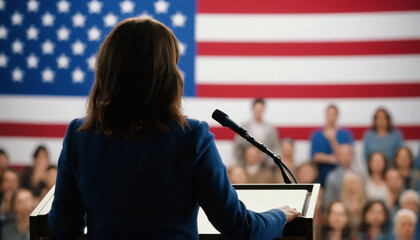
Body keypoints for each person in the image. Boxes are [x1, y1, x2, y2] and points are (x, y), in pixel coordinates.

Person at [48, 17, 300, 240]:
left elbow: (63, 228)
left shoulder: (79, 136)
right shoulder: (192, 137)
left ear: (107, 70)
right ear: (166, 75)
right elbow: (240, 227)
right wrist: (279, 215)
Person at [310, 104, 354, 186]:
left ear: (337, 116)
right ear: (325, 115)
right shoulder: (317, 135)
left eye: (333, 114)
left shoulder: (346, 135)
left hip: (342, 177)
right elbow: (315, 156)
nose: (331, 117)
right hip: (321, 176)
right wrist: (331, 159)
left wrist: (333, 140)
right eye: (329, 114)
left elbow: (346, 157)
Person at [233, 98, 279, 167]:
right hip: (246, 165)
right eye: (257, 110)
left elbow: (275, 147)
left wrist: (265, 158)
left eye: (261, 110)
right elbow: (237, 147)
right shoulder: (244, 127)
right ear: (253, 109)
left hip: (264, 166)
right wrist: (245, 159)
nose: (258, 112)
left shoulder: (271, 129)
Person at [323, 144, 355, 210]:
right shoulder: (332, 176)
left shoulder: (359, 175)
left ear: (353, 156)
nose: (346, 156)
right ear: (338, 157)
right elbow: (328, 200)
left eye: (348, 153)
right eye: (342, 154)